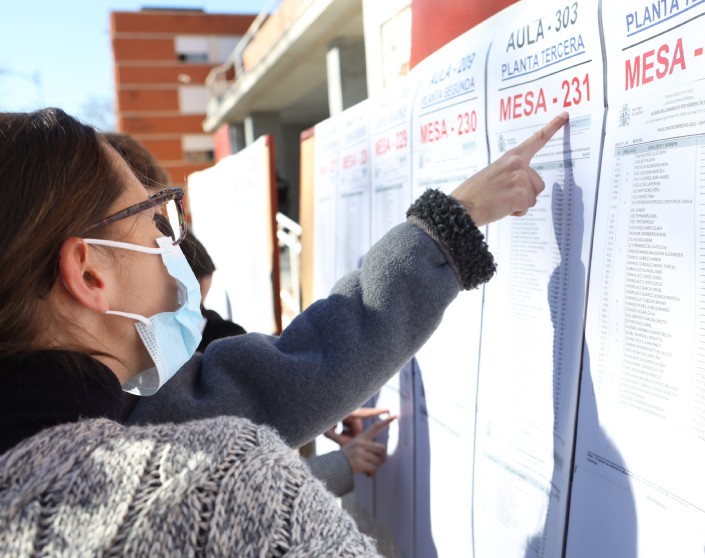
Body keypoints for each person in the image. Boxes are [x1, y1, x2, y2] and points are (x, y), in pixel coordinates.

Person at [0, 107, 567, 553]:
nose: (170, 243)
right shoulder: (208, 483)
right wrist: (450, 224)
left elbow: (276, 377)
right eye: (155, 219)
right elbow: (288, 375)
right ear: (89, 272)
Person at [105, 131, 398, 496]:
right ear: (89, 273)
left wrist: (305, 395)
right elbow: (224, 498)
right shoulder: (112, 413)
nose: (190, 318)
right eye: (152, 222)